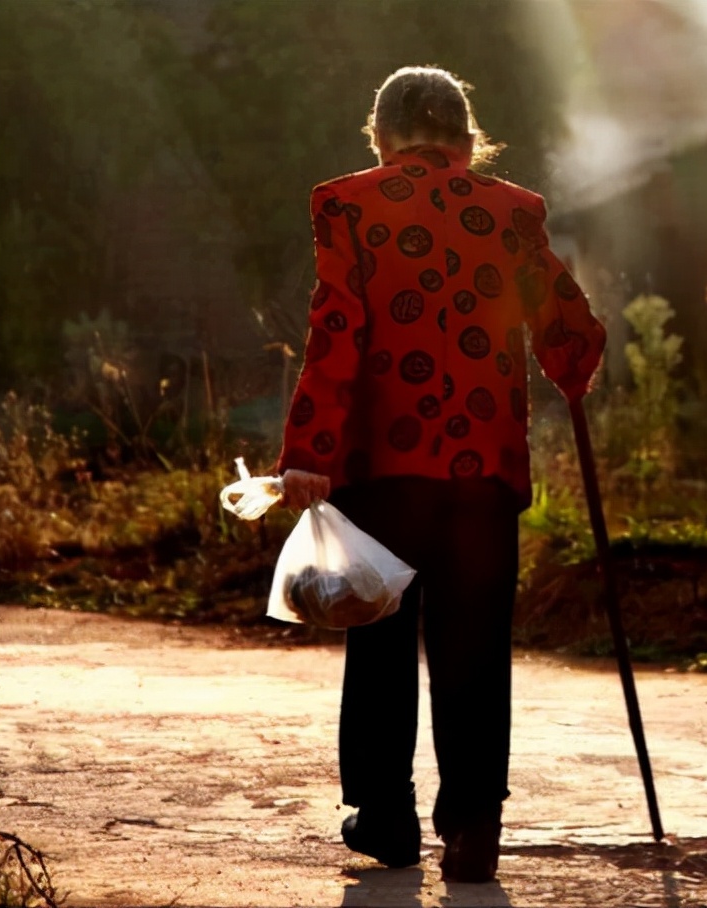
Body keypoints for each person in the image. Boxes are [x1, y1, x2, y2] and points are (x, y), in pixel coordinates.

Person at [276, 65, 606, 882]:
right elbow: (570, 330)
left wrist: (311, 452)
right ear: (466, 142)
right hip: (482, 471)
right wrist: (568, 364)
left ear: (381, 140)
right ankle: (471, 828)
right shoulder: (513, 212)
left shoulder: (349, 205)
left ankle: (385, 817)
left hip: (380, 467)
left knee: (379, 637)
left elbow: (335, 334)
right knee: (474, 644)